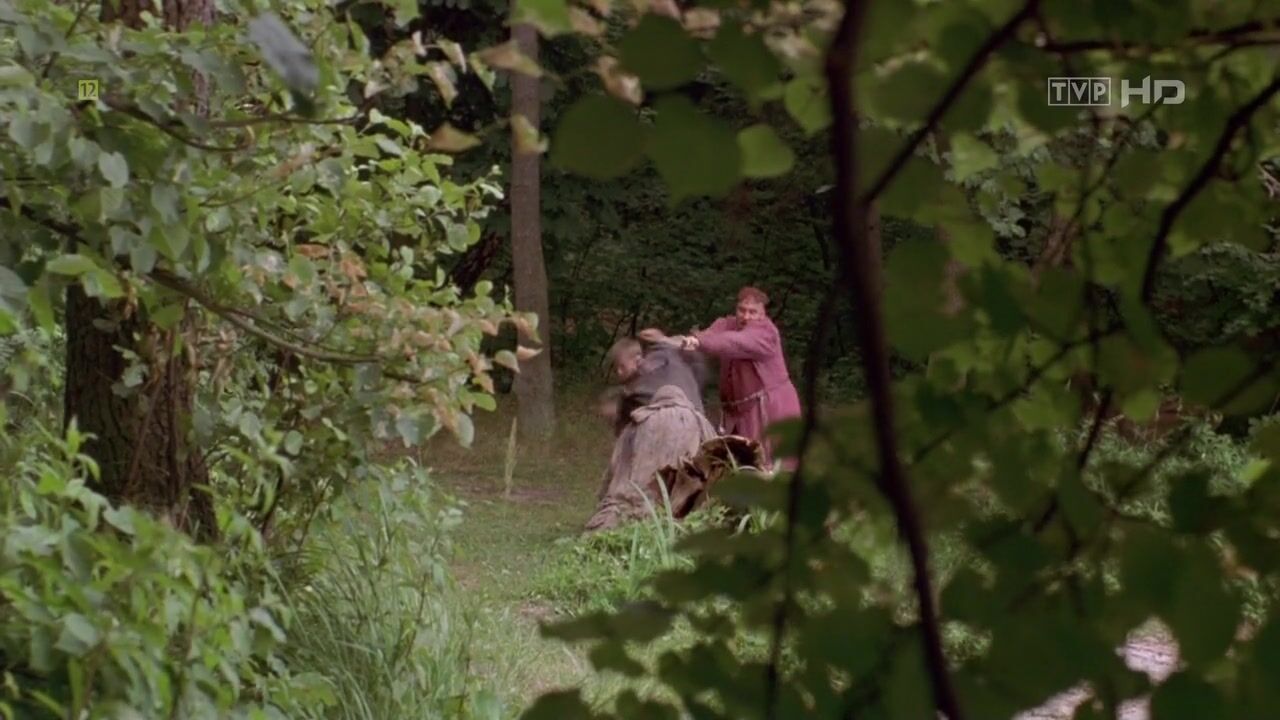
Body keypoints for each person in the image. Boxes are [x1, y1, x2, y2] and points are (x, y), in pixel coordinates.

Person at [641, 286, 801, 469]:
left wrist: (699, 341)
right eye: (742, 310)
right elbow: (705, 337)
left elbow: (733, 342)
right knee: (737, 464)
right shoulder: (727, 325)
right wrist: (667, 340)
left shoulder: (766, 333)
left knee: (769, 466)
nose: (746, 316)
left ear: (763, 314)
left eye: (753, 312)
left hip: (771, 407)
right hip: (739, 411)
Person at [586, 339, 715, 531]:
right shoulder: (671, 357)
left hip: (666, 425)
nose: (619, 373)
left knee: (638, 486)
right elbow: (698, 362)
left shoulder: (632, 393)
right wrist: (666, 340)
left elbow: (623, 444)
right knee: (694, 480)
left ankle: (626, 522)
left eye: (621, 367)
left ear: (638, 359)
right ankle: (689, 521)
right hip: (698, 424)